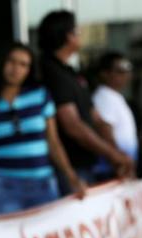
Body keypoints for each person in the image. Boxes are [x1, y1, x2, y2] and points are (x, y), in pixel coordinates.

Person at [0, 42, 85, 215]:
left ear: (29, 70)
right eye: (11, 62)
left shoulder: (41, 95)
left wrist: (72, 177)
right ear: (2, 63)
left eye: (23, 65)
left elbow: (53, 142)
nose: (16, 69)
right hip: (3, 190)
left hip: (44, 187)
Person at [38, 10, 134, 185]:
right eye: (77, 30)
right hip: (69, 168)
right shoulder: (51, 73)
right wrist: (113, 154)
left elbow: (97, 118)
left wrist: (115, 153)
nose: (80, 34)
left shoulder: (70, 72)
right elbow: (73, 126)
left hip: (87, 164)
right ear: (68, 36)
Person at [92, 51, 138, 181]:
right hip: (112, 169)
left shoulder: (114, 96)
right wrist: (118, 161)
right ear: (104, 74)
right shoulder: (104, 97)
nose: (126, 75)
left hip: (120, 166)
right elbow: (105, 131)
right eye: (120, 71)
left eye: (128, 70)